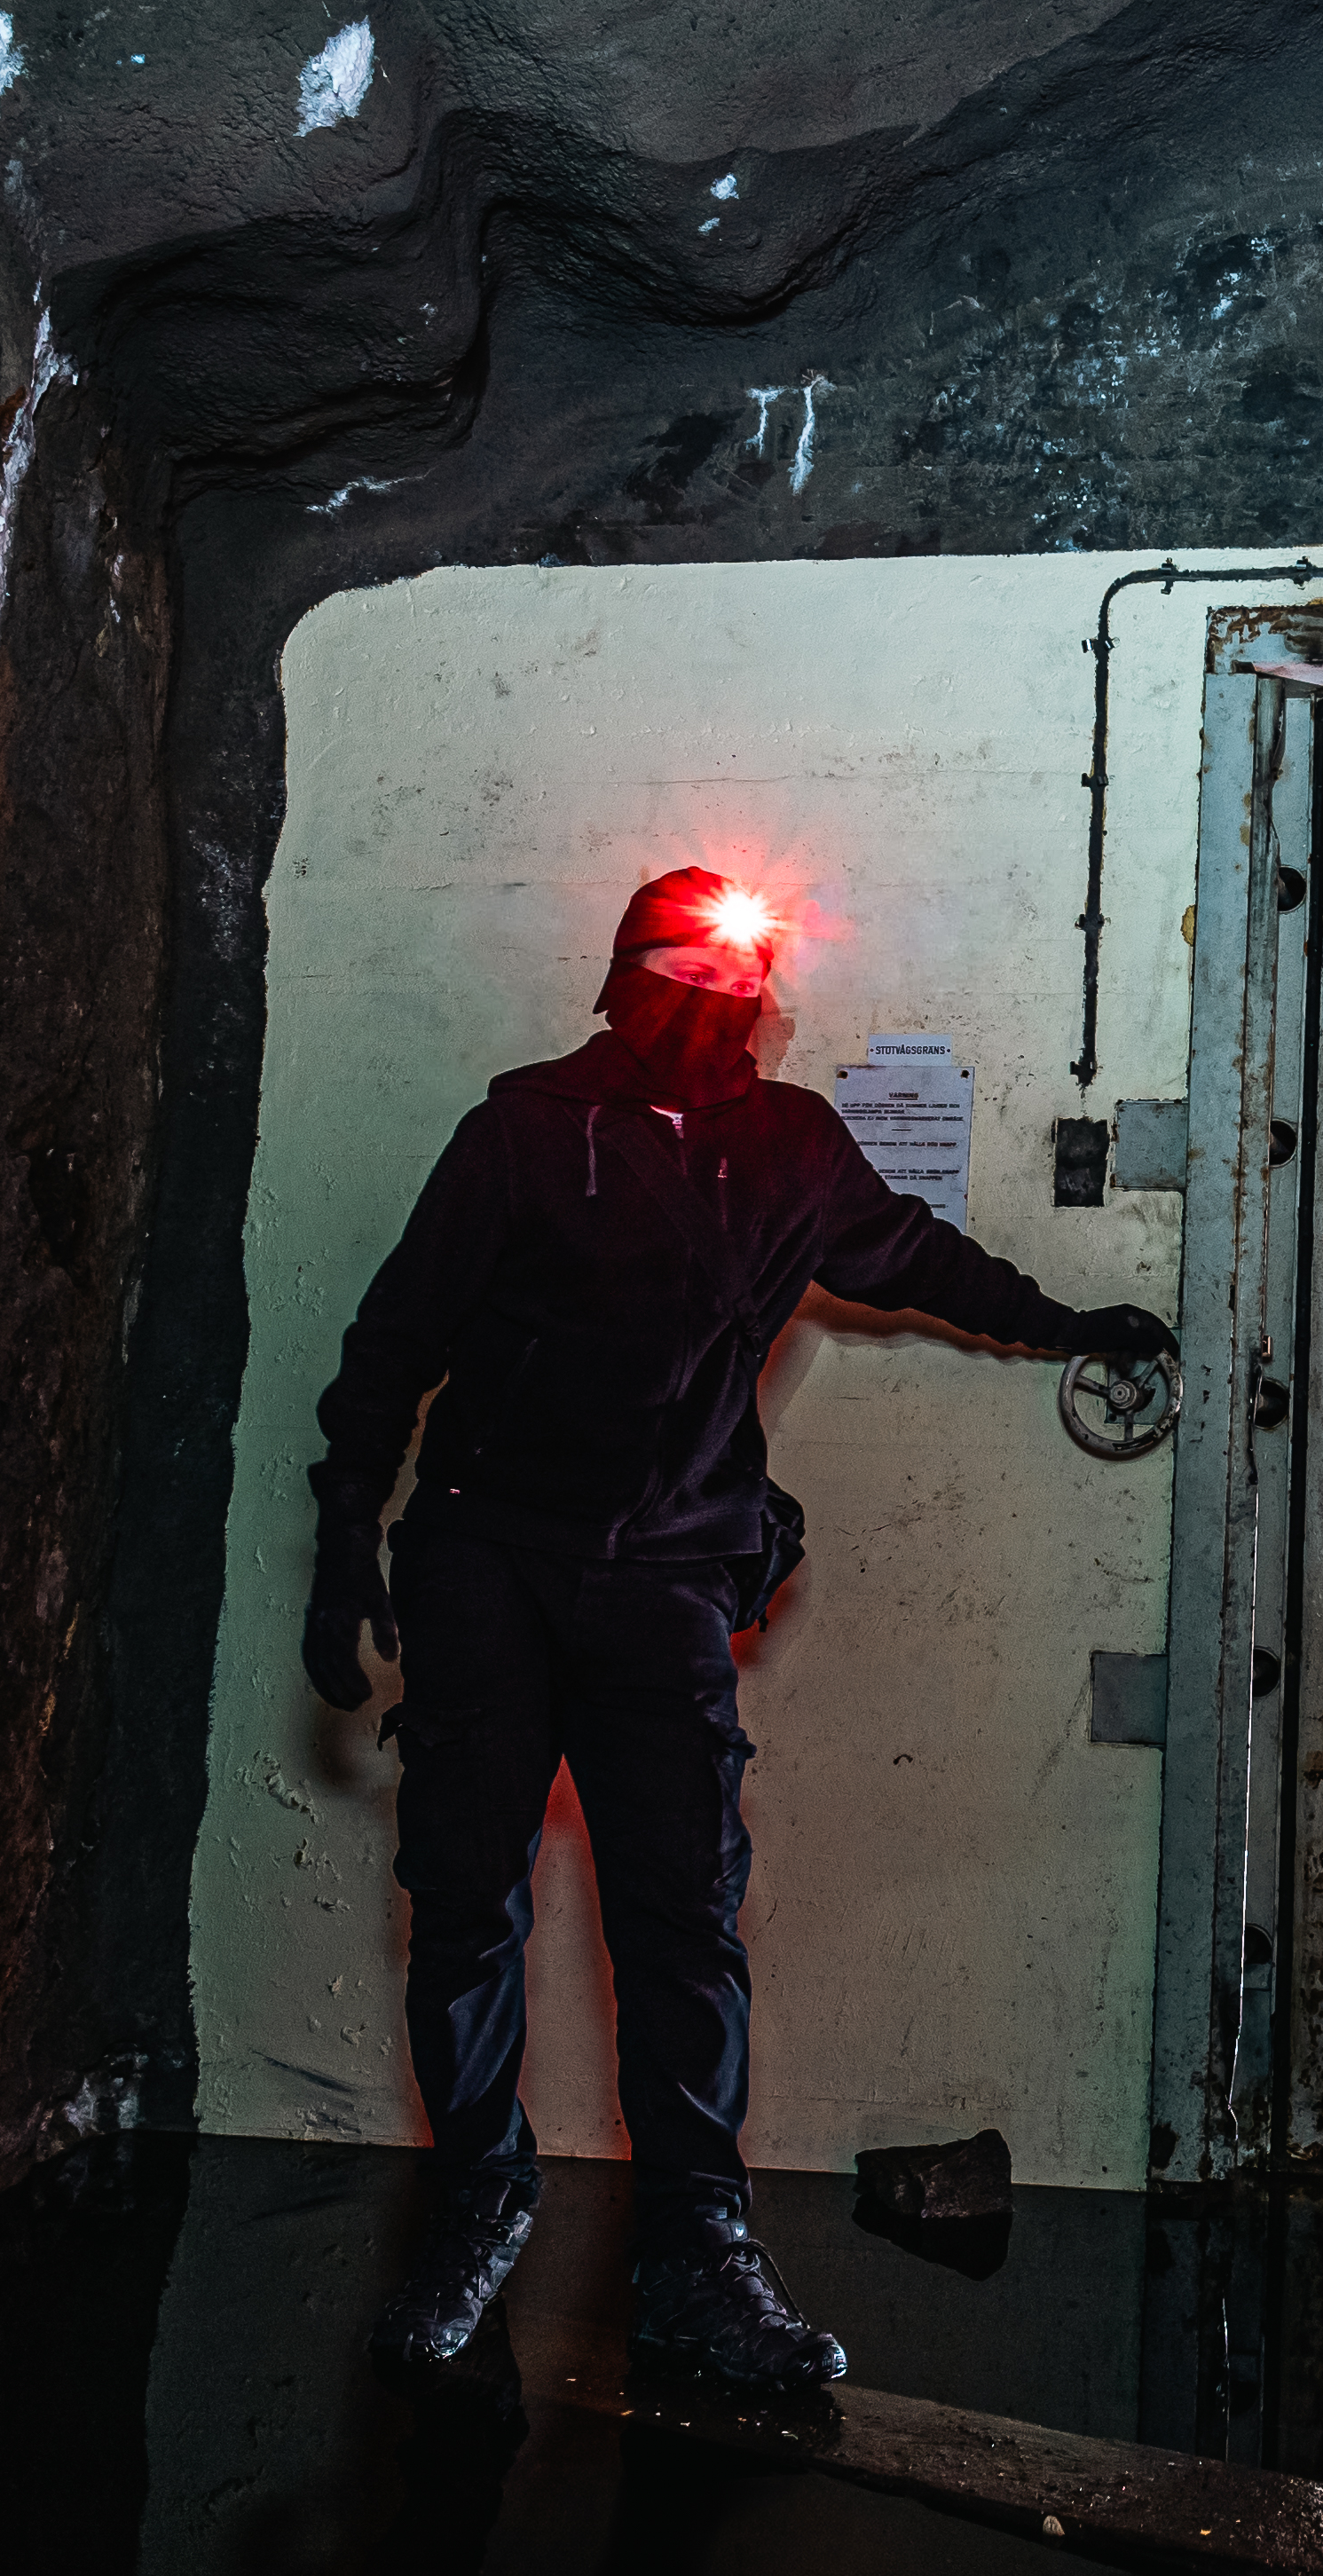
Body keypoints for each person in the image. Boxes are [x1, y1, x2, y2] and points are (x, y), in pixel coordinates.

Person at [301, 865, 1176, 2394]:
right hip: (491, 1560)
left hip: (671, 1570)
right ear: (634, 987)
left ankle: (697, 2244)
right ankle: (477, 2199)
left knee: (684, 1918)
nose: (730, 1013)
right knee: (464, 1901)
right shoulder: (523, 1132)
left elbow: (916, 1259)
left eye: (746, 988)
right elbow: (394, 1346)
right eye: (697, 984)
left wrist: (1072, 1318)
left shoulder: (791, 1149)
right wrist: (340, 1550)